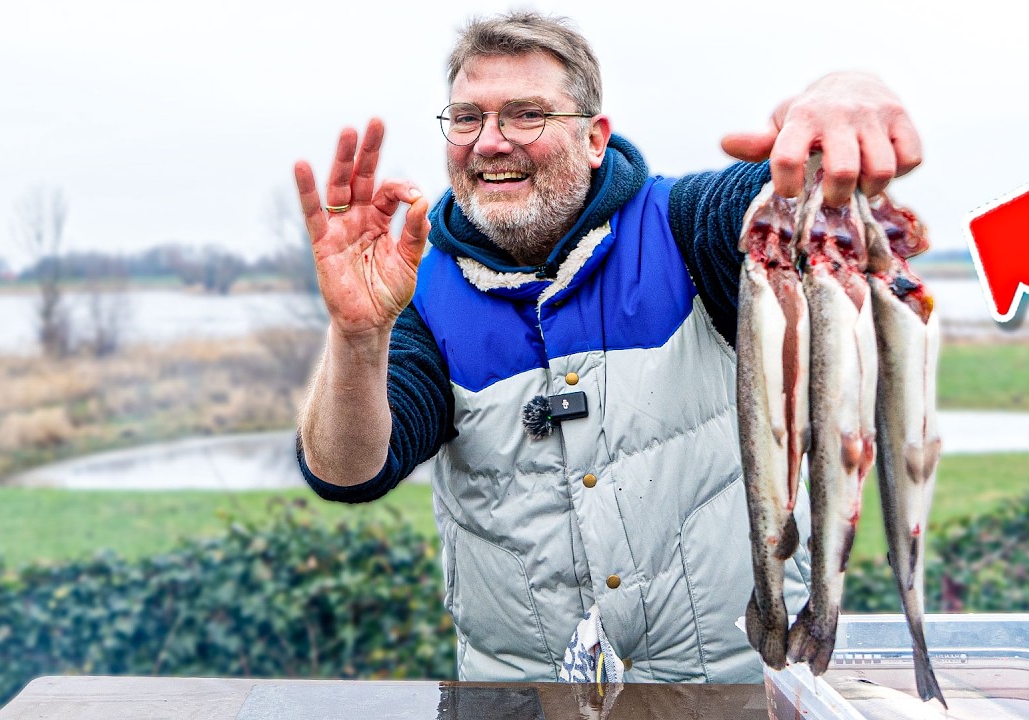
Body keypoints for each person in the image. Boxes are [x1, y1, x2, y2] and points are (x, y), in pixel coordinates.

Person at [293, 11, 922, 684]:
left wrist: (841, 94)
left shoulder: (686, 229)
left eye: (526, 115)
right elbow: (348, 472)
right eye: (467, 117)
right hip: (524, 701)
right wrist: (358, 337)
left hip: (736, 692)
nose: (490, 142)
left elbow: (786, 192)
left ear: (596, 139)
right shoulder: (418, 289)